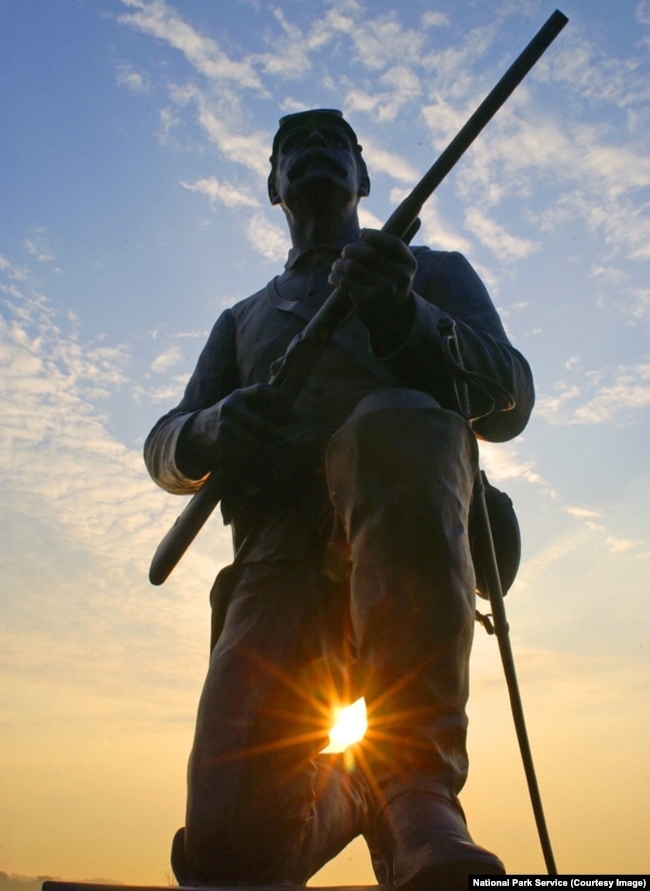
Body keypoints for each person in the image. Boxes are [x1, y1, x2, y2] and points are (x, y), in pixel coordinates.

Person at [144, 109, 535, 890]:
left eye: (336, 144)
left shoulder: (433, 273)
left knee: (389, 424)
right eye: (294, 146)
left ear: (363, 177)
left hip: (410, 544)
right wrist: (214, 427)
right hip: (280, 564)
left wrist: (408, 317)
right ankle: (358, 789)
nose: (316, 152)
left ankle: (414, 787)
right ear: (271, 185)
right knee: (229, 854)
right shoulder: (241, 321)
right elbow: (165, 444)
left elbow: (512, 399)